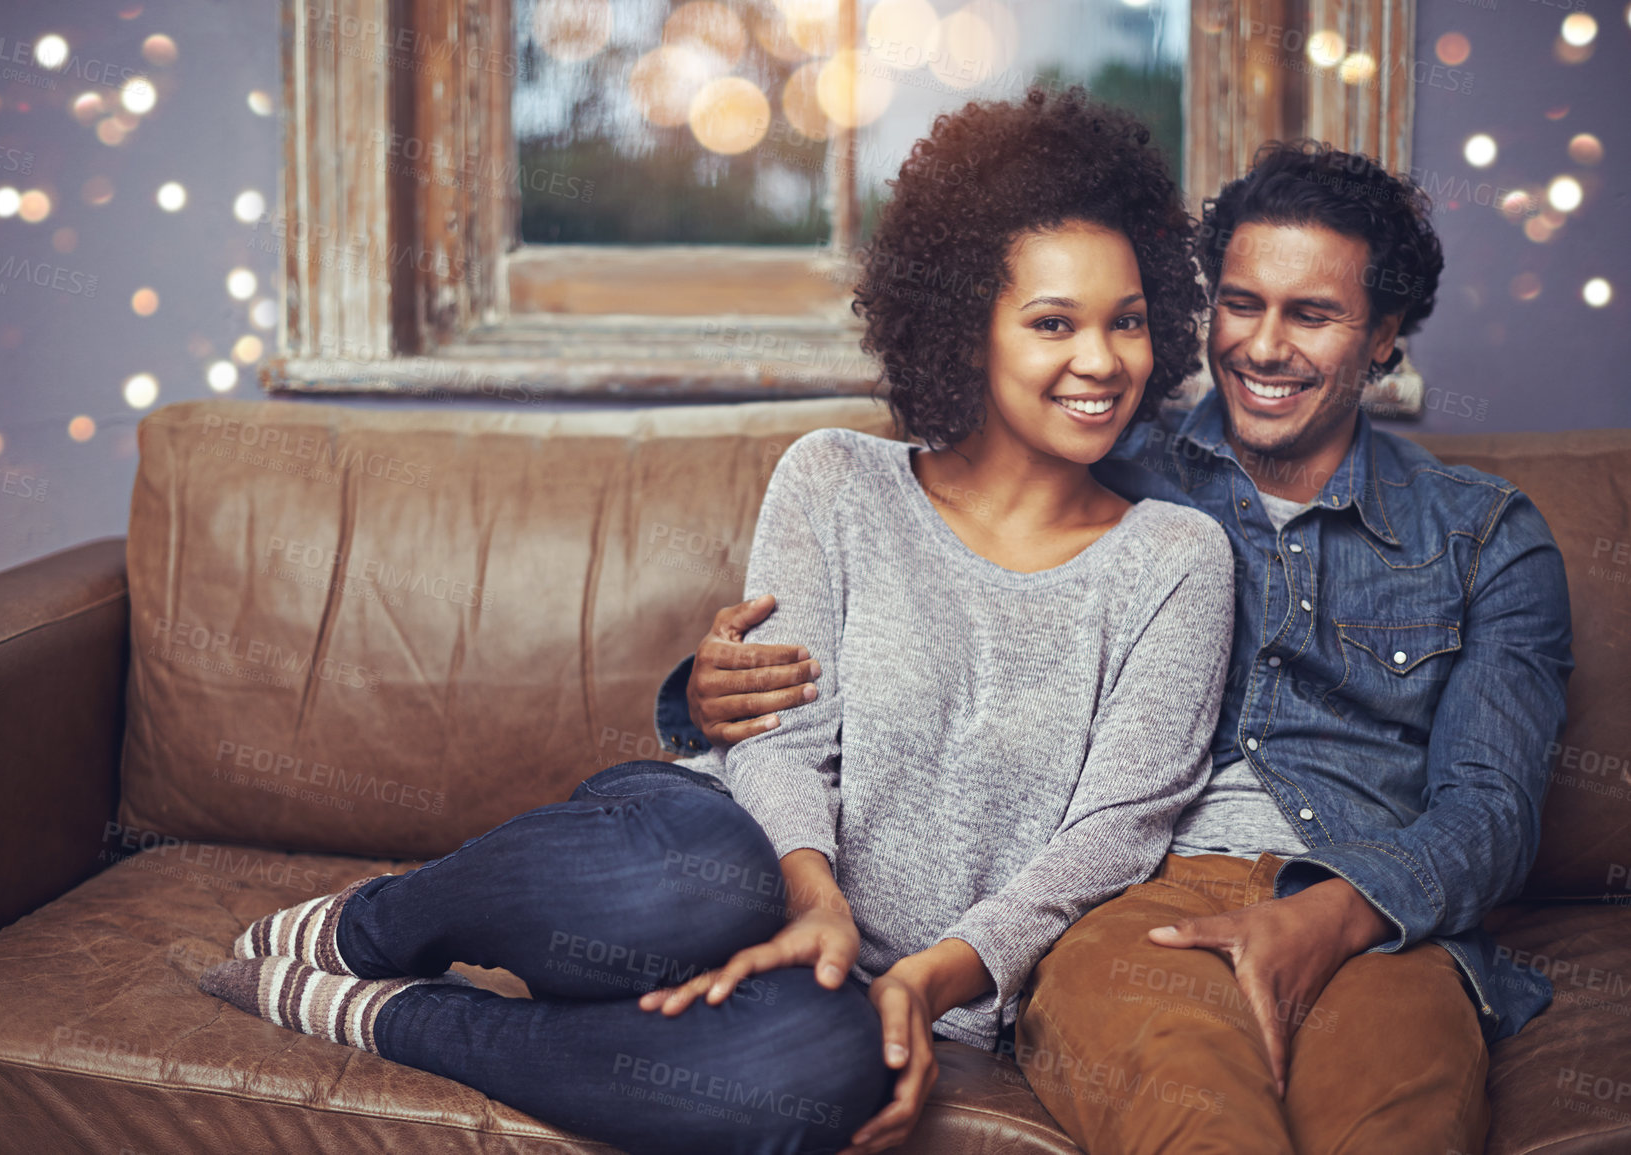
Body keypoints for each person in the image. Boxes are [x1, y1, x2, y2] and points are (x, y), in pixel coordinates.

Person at [198, 87, 1236, 1155]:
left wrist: (925, 984)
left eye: (1129, 320)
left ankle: (394, 1016)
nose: (1103, 360)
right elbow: (778, 735)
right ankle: (369, 928)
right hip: (723, 860)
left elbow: (1113, 834)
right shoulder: (835, 481)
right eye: (1053, 322)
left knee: (819, 1075)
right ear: (966, 324)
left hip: (881, 983)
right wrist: (814, 897)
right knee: (687, 888)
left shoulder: (1175, 561)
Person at [666, 140, 1575, 1154]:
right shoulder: (1106, 452)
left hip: (1371, 909)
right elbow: (929, 578)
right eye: (1241, 304)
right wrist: (708, 694)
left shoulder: (1486, 536)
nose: (1265, 348)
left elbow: (1494, 810)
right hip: (1137, 905)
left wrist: (1341, 913)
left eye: (1312, 315)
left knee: (1392, 1131)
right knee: (1198, 1128)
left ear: (1385, 339)